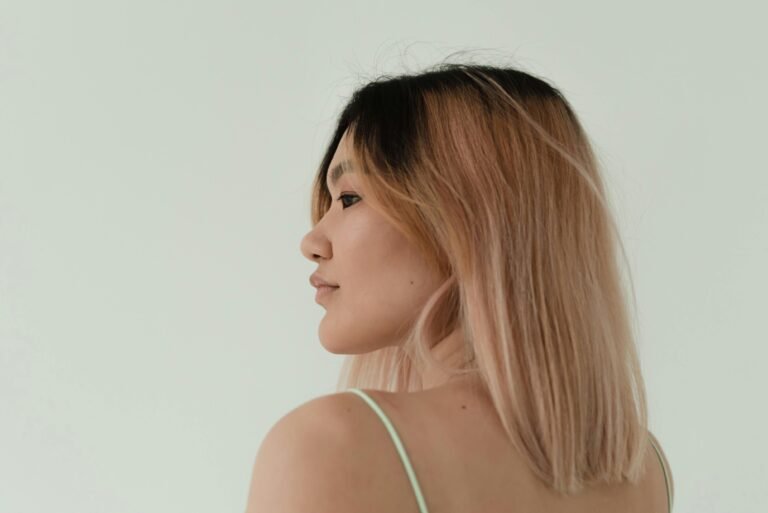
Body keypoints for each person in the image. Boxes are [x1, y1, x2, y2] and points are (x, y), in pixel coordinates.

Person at [244, 62, 674, 513]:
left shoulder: (331, 446)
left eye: (349, 198)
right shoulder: (643, 469)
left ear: (467, 218)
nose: (312, 242)